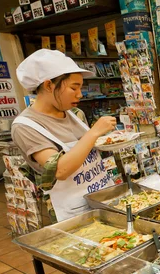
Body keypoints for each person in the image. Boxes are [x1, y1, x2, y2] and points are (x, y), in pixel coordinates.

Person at [11, 49, 117, 223]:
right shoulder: (25, 127)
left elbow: (87, 148)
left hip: (102, 195)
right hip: (75, 212)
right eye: (73, 87)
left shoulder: (75, 113)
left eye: (80, 87)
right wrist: (94, 132)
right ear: (48, 85)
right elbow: (60, 170)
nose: (80, 94)